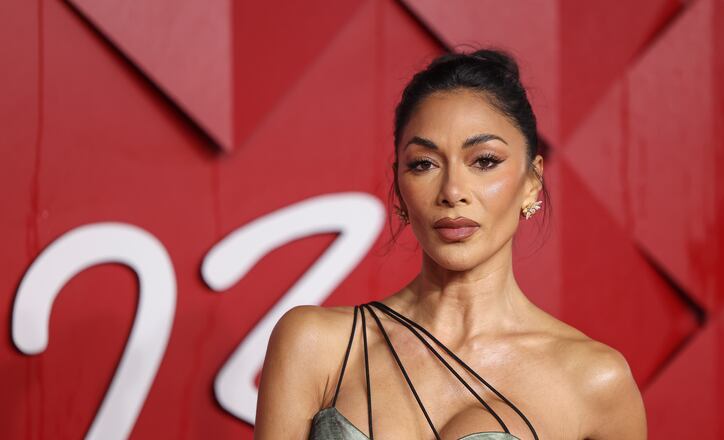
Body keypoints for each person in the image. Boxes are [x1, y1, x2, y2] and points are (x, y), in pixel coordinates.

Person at [253, 48, 648, 440]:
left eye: (485, 161)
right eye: (424, 164)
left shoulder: (595, 381)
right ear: (399, 187)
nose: (453, 191)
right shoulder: (316, 345)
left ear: (531, 182)